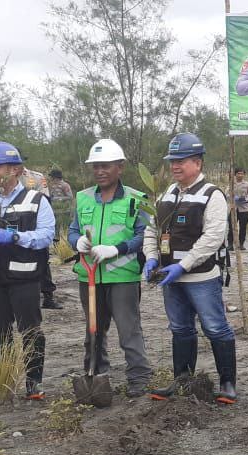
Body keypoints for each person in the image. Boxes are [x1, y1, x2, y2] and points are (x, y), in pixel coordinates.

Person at [143, 133, 237, 404]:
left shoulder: (212, 195)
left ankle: (228, 383)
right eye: (173, 161)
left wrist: (182, 266)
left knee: (215, 327)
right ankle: (182, 382)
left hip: (202, 277)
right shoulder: (165, 195)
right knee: (180, 328)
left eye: (181, 161)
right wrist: (151, 258)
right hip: (170, 277)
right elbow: (152, 230)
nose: (175, 166)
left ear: (197, 163)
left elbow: (213, 238)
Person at [0, 142, 55, 401]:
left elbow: (46, 235)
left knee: (30, 329)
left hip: (25, 277)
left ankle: (33, 382)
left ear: (15, 169)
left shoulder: (36, 200)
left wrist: (14, 237)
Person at [67, 139, 154, 398]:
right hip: (89, 275)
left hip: (123, 277)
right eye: (96, 167)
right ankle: (96, 375)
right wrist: (76, 241)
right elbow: (73, 230)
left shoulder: (136, 199)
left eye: (105, 166)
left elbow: (144, 235)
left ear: (120, 167)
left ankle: (138, 378)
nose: (100, 171)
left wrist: (118, 249)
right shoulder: (82, 198)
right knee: (93, 330)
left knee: (129, 331)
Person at [19, 162, 63, 310]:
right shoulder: (0, 177)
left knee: (42, 259)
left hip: (33, 221)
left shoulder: (35, 177)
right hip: (12, 226)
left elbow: (44, 198)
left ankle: (48, 297)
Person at [228, 167, 248, 251]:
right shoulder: (231, 184)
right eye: (238, 173)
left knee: (243, 228)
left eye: (242, 173)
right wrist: (232, 197)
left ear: (244, 175)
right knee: (231, 227)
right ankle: (230, 245)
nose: (240, 175)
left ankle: (241, 244)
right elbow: (226, 193)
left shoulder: (247, 185)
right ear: (235, 174)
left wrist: (246, 200)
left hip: (244, 209)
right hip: (233, 209)